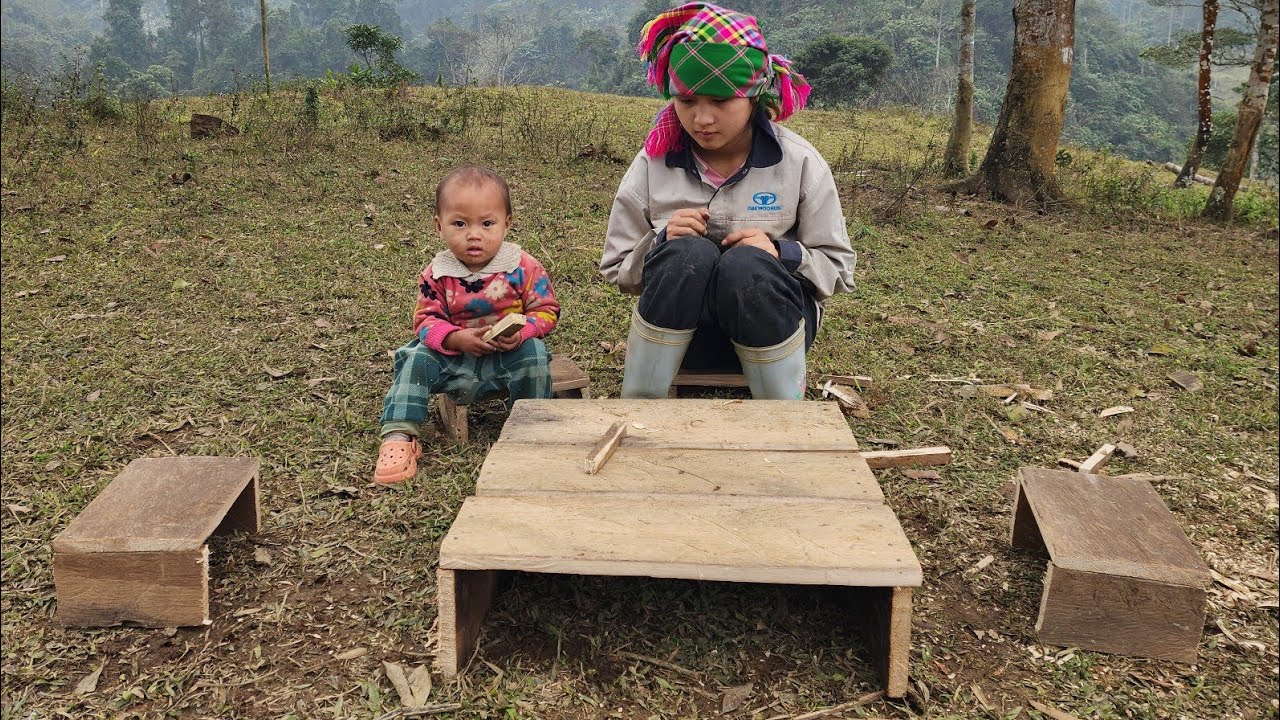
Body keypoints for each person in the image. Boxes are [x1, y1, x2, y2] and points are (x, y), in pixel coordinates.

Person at [600, 2, 857, 401]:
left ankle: (783, 411)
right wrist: (662, 241)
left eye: (720, 101)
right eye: (687, 101)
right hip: (683, 343)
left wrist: (781, 253)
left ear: (753, 97)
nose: (702, 119)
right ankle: (641, 403)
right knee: (687, 252)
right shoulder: (653, 163)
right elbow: (617, 267)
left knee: (747, 264)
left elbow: (838, 269)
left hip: (775, 335)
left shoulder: (800, 163)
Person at [374, 165, 560, 485]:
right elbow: (425, 320)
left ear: (507, 223)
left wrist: (523, 333)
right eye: (459, 223)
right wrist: (456, 338)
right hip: (454, 359)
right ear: (439, 226)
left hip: (506, 356)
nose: (474, 234)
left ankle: (530, 429)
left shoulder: (523, 267)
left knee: (535, 353)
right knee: (414, 356)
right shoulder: (436, 273)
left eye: (487, 223)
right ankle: (399, 435)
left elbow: (546, 310)